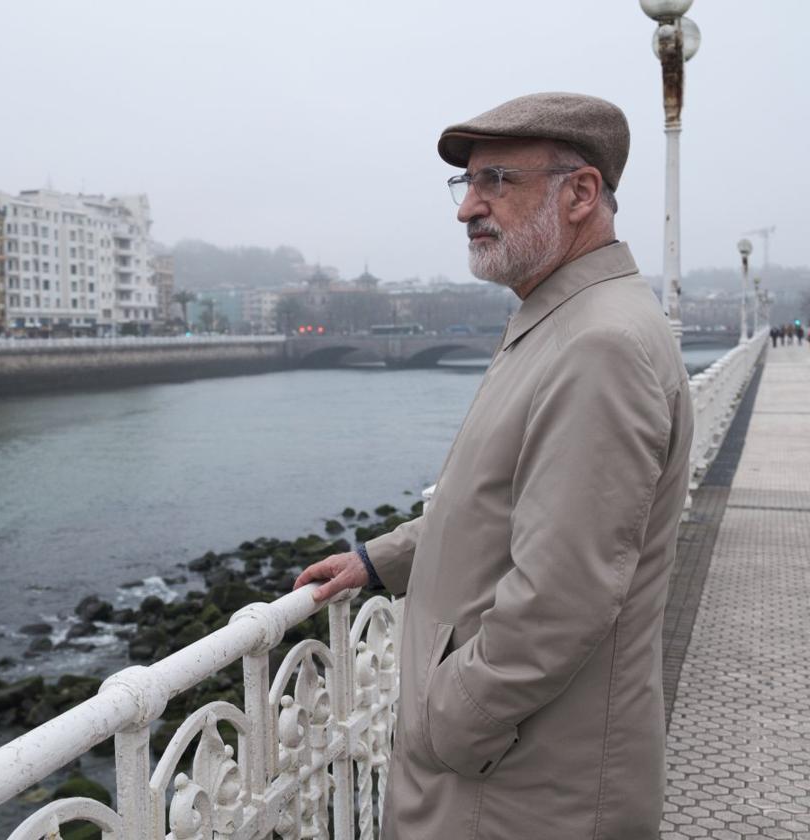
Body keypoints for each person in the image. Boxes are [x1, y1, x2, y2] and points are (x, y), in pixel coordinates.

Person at [294, 92, 693, 840]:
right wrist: (380, 560)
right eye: (466, 184)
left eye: (496, 181)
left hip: (521, 790)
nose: (467, 208)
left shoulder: (598, 346)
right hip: (511, 777)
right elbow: (507, 497)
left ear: (580, 193)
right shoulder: (563, 319)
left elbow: (563, 593)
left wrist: (444, 722)